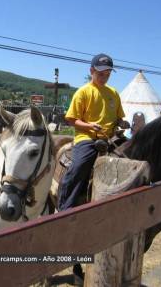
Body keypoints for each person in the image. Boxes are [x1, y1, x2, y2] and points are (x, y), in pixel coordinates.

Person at [58, 53, 129, 211]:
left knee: (133, 155)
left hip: (112, 137)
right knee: (78, 167)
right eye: (101, 74)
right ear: (91, 71)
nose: (104, 77)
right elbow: (71, 119)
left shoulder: (113, 93)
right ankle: (64, 207)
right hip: (88, 138)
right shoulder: (83, 92)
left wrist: (121, 122)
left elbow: (118, 118)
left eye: (108, 74)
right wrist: (90, 126)